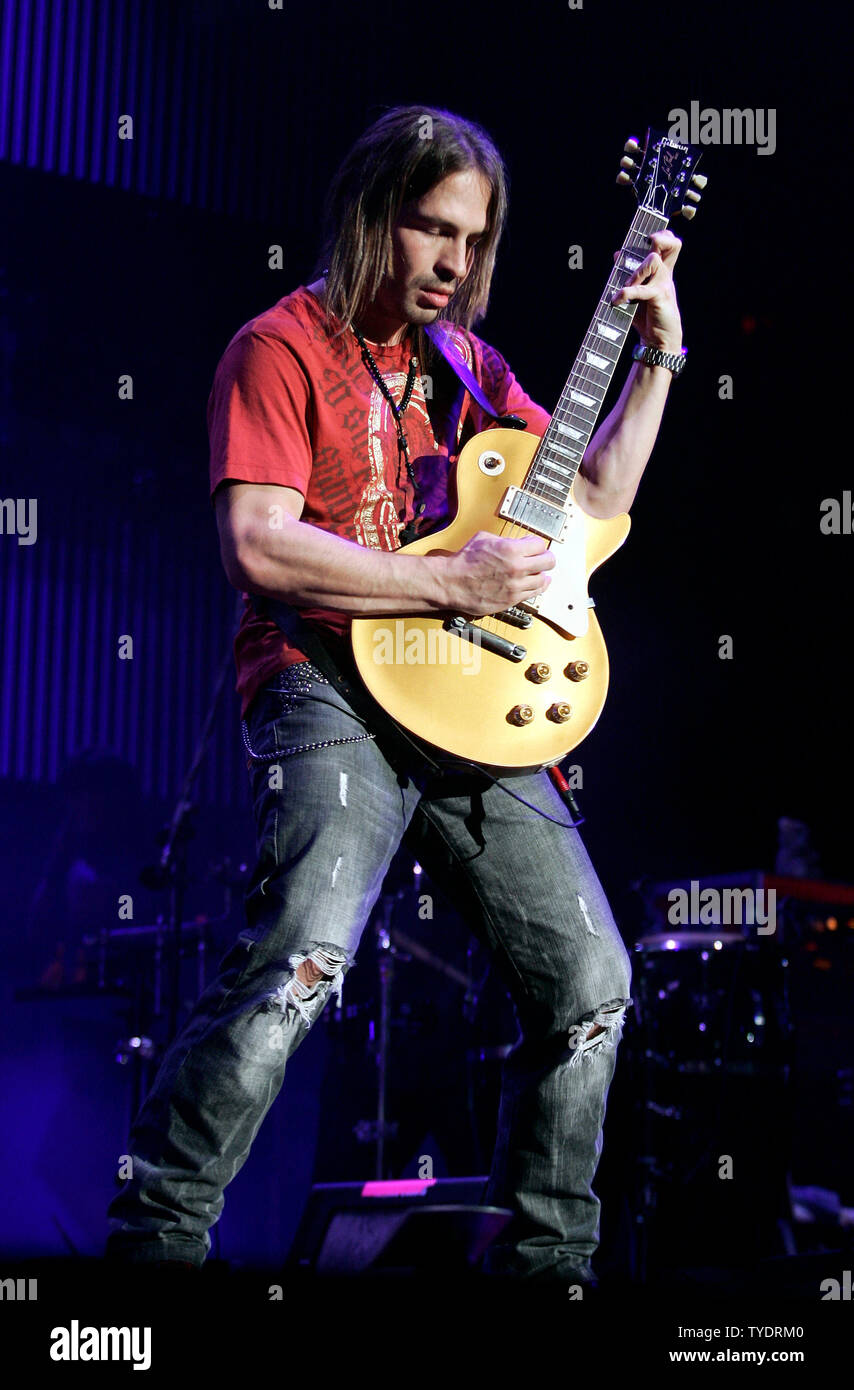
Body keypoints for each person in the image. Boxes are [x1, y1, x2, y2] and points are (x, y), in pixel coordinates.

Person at [106, 105, 685, 1284]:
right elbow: (257, 546)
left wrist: (658, 350)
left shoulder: (470, 370)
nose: (450, 263)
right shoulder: (277, 348)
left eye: (471, 240)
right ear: (371, 214)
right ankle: (156, 1250)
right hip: (326, 682)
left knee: (593, 985)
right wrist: (450, 578)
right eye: (428, 229)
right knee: (303, 957)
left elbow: (594, 506)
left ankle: (547, 1265)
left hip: (469, 697)